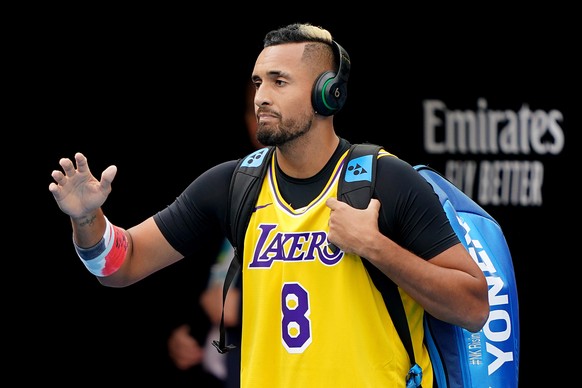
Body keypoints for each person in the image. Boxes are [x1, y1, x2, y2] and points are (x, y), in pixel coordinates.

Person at [49, 22, 489, 387]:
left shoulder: (385, 178)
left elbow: (473, 309)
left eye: (279, 82)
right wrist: (88, 218)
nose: (261, 96)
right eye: (258, 82)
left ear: (328, 94)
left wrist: (375, 246)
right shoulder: (234, 183)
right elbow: (119, 266)